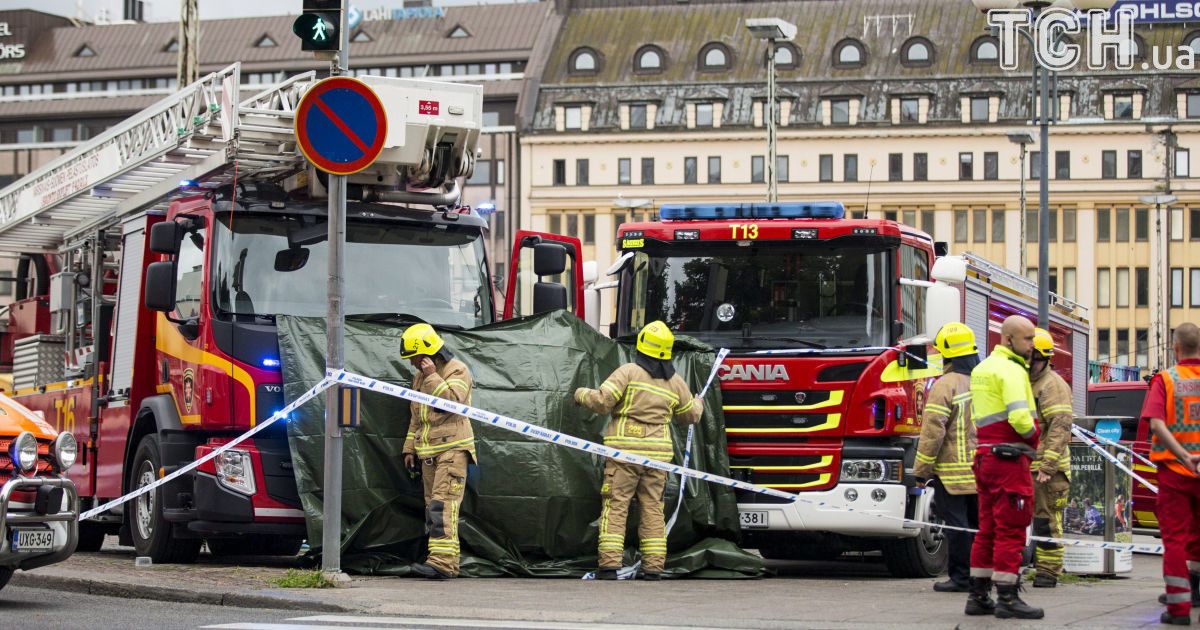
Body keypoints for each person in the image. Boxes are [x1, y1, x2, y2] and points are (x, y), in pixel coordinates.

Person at [574, 321, 704, 580]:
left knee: (616, 506)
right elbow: (690, 415)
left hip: (624, 454)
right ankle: (653, 569)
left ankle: (609, 567)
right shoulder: (675, 382)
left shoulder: (628, 372)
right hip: (658, 459)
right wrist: (698, 402)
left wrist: (580, 394)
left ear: (642, 346)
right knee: (653, 509)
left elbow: (603, 402)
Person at [966, 315, 1043, 620]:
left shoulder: (982, 368)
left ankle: (978, 595)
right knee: (1011, 528)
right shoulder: (1012, 370)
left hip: (985, 457)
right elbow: (1020, 419)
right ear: (1008, 339)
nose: (1033, 345)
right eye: (1028, 339)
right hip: (1009, 460)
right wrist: (1034, 437)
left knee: (987, 529)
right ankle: (1008, 598)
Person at [400, 323, 475, 580]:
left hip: (452, 450)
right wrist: (409, 448)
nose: (412, 363)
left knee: (443, 506)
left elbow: (452, 404)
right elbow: (417, 416)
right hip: (428, 453)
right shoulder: (419, 377)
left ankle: (442, 563)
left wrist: (432, 377)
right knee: (433, 507)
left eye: (415, 357)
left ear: (428, 353)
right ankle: (443, 560)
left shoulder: (457, 370)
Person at [914, 322, 981, 594]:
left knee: (957, 526)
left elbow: (933, 431)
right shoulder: (983, 382)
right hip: (982, 470)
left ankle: (960, 577)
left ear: (946, 354)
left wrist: (921, 470)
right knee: (978, 526)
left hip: (952, 474)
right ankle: (980, 577)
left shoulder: (945, 385)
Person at [1141, 323, 1200, 625]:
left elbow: (1156, 424)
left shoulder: (1166, 379)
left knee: (1175, 540)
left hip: (1176, 472)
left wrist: (1183, 455)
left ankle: (1179, 609)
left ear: (1176, 348)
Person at [1028, 328, 1074, 589]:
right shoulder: (1028, 381)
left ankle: (1048, 571)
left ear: (1044, 358)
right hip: (1030, 465)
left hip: (1048, 470)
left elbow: (1060, 427)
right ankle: (1038, 566)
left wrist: (1047, 465)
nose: (1029, 363)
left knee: (1046, 521)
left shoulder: (1052, 385)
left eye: (1034, 358)